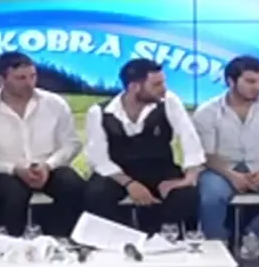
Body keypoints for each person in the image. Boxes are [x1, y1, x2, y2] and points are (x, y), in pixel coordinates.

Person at [0, 52, 85, 238]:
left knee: (72, 184)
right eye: (20, 78)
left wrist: (48, 165)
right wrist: (15, 169)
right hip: (5, 171)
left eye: (32, 76)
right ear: (0, 80)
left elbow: (71, 144)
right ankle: (13, 244)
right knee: (13, 193)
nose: (29, 83)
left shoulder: (55, 103)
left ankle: (61, 239)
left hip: (49, 167)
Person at [82, 58, 206, 234]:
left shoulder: (169, 101)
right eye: (156, 84)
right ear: (134, 87)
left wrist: (188, 178)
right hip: (118, 173)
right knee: (97, 193)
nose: (164, 89)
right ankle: (114, 240)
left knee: (186, 194)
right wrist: (130, 184)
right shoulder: (99, 113)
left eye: (163, 82)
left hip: (159, 168)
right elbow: (99, 159)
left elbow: (189, 139)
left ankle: (167, 239)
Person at [193, 56, 259, 251]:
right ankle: (216, 246)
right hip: (221, 170)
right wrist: (232, 175)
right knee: (211, 196)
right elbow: (207, 155)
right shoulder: (207, 112)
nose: (258, 87)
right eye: (251, 81)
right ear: (231, 81)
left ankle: (253, 235)